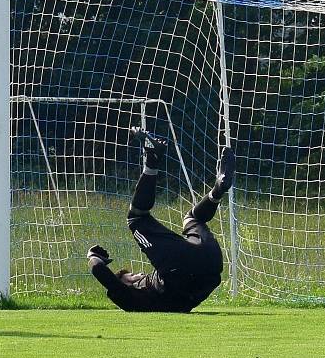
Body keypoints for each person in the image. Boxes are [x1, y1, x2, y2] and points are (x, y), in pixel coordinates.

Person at [87, 127, 234, 312]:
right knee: (135, 219)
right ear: (125, 286)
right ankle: (152, 159)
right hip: (179, 271)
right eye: (131, 277)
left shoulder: (150, 301)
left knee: (193, 218)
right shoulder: (131, 299)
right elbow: (99, 271)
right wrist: (92, 256)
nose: (138, 274)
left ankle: (217, 191)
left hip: (211, 264)